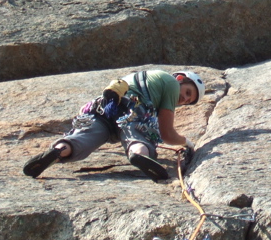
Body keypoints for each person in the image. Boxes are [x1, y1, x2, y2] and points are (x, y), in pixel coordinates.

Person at [23, 69, 205, 182]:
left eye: (189, 101)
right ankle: (138, 155)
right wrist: (187, 143)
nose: (185, 99)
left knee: (82, 138)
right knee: (139, 136)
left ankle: (58, 150)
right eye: (188, 92)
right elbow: (167, 134)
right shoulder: (171, 83)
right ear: (180, 78)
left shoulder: (137, 77)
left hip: (101, 109)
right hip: (133, 110)